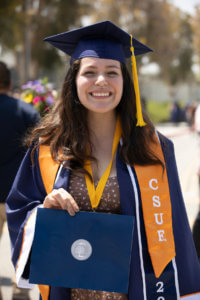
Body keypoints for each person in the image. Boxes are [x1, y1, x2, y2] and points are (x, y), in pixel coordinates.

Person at [6, 21, 200, 300]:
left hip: (135, 291)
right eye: (90, 72)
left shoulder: (153, 149)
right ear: (74, 80)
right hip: (69, 292)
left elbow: (176, 232)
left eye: (112, 72)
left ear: (125, 80)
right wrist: (43, 211)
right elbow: (19, 209)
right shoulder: (49, 148)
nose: (101, 81)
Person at [0, 61, 40, 299]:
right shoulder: (26, 111)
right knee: (21, 248)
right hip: (19, 196)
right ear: (11, 83)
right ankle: (19, 291)